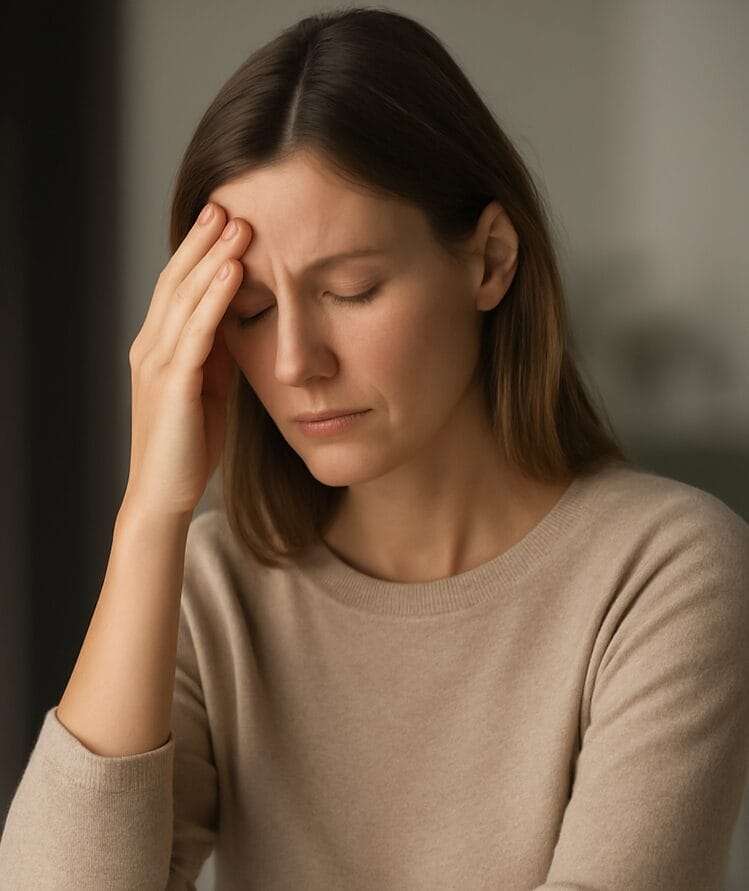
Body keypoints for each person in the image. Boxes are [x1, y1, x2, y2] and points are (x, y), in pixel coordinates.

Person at [1, 7, 747, 890]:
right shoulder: (211, 588)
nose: (293, 363)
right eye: (250, 310)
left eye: (350, 290)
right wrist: (148, 519)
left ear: (489, 260)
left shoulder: (663, 571)